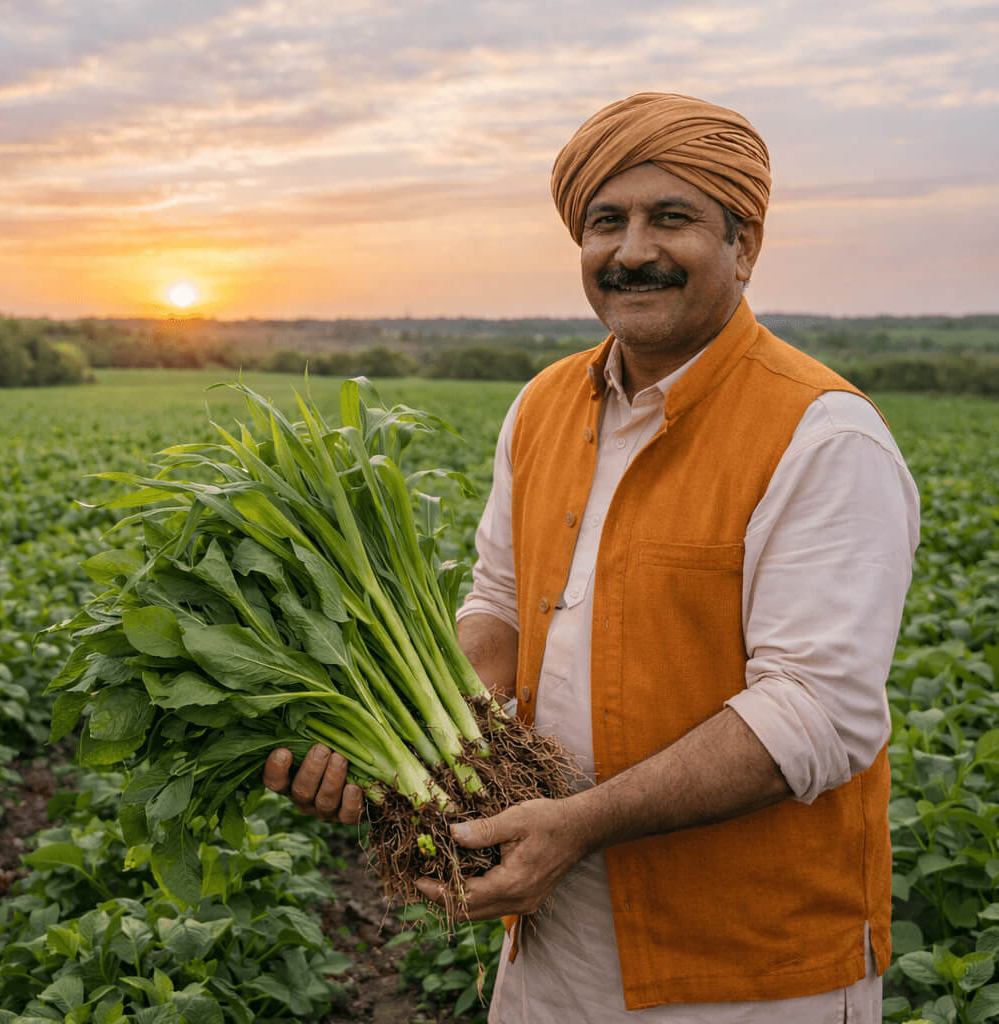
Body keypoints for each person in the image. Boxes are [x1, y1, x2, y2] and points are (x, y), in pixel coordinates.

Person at [262, 91, 920, 1021]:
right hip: (549, 940)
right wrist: (409, 748)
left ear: (745, 246)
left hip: (747, 969)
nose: (633, 250)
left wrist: (576, 825)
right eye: (605, 222)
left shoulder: (822, 435)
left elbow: (818, 714)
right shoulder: (543, 406)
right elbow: (497, 602)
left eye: (673, 217)